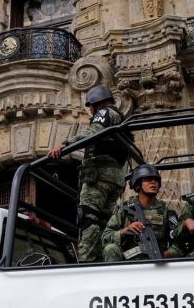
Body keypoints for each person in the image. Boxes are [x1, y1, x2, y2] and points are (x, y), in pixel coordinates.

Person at [49, 85, 129, 262]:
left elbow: (94, 131)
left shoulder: (105, 112)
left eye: (91, 108)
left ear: (94, 104)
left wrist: (66, 144)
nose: (91, 112)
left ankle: (86, 261)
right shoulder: (120, 118)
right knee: (102, 221)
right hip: (115, 178)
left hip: (100, 175)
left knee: (88, 217)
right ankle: (101, 258)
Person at [101, 164, 179, 262]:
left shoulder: (166, 211)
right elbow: (105, 238)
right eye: (148, 179)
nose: (153, 182)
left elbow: (178, 243)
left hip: (158, 263)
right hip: (128, 265)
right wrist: (125, 230)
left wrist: (164, 255)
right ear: (137, 184)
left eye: (156, 180)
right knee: (110, 249)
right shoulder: (124, 209)